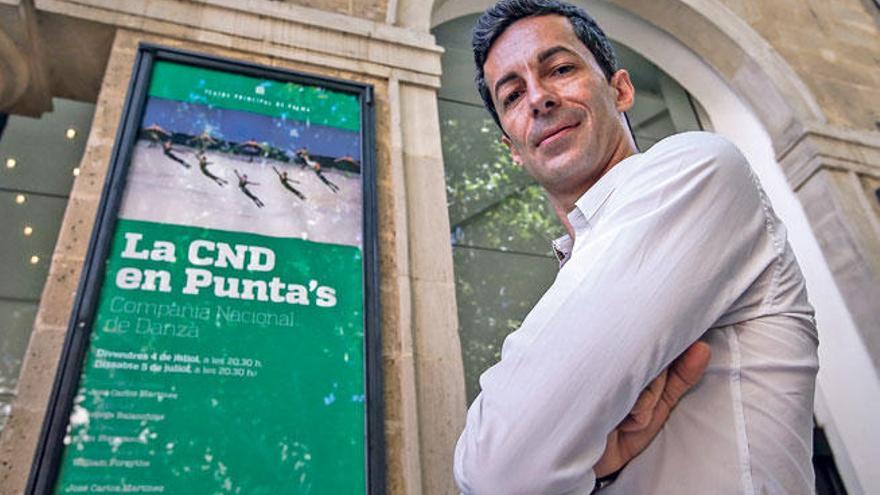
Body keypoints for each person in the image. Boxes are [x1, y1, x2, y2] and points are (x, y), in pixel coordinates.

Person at [453, 1, 819, 494]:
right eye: (513, 95)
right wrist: (597, 470)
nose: (539, 98)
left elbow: (496, 469)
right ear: (512, 150)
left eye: (560, 69)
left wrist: (564, 456)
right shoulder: (578, 269)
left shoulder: (696, 170)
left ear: (620, 89)